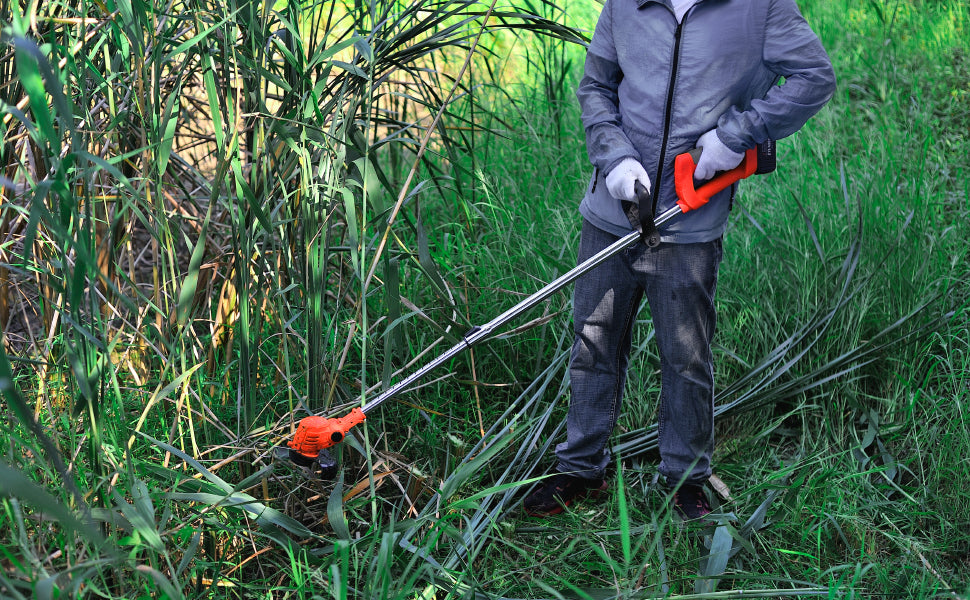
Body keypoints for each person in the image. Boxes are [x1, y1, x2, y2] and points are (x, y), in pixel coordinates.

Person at [523, 0, 836, 519]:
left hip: (689, 218)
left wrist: (736, 138)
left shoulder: (761, 8)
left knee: (686, 355)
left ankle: (686, 479)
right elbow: (597, 87)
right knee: (593, 344)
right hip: (612, 210)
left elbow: (813, 77)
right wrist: (616, 158)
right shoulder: (625, 4)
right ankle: (580, 468)